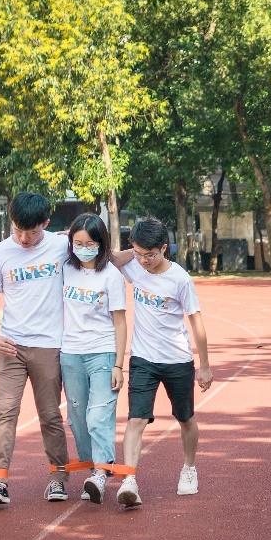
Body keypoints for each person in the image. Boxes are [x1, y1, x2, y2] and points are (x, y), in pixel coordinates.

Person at [0, 192, 72, 506]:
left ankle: (58, 479)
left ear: (46, 223)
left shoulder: (60, 245)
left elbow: (98, 252)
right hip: (10, 346)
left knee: (50, 415)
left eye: (32, 231)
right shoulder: (0, 253)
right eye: (18, 230)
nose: (25, 238)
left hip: (48, 345)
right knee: (4, 413)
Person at [111, 218, 212, 508]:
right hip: (143, 358)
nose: (143, 261)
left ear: (165, 248)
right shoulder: (134, 265)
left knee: (185, 418)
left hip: (177, 359)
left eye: (150, 254)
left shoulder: (180, 279)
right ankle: (129, 479)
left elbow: (197, 322)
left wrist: (203, 365)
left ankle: (189, 468)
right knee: (136, 418)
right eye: (139, 253)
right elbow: (113, 257)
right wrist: (136, 251)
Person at [61, 214, 127, 505]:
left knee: (98, 416)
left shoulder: (111, 275)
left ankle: (100, 472)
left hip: (102, 352)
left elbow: (120, 322)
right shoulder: (64, 269)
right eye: (78, 242)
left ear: (101, 245)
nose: (83, 247)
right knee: (77, 418)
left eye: (90, 243)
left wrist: (118, 364)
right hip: (70, 353)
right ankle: (92, 469)